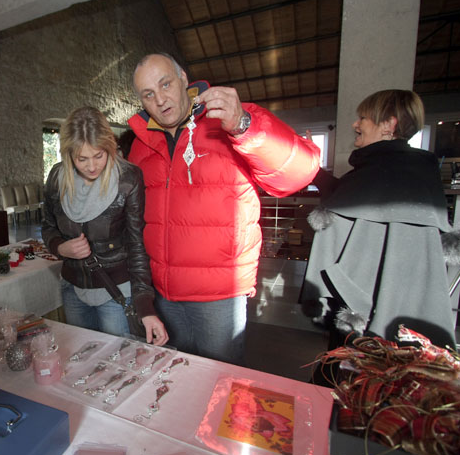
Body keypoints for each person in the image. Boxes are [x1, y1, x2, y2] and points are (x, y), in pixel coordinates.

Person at [128, 53, 320, 364]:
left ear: (183, 80)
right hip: (163, 294)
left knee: (220, 389)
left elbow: (300, 172)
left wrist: (244, 126)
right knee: (173, 385)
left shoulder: (228, 119)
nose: (160, 99)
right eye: (148, 94)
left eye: (165, 84)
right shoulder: (141, 143)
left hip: (218, 296)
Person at [301, 89, 460, 354]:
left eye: (363, 118)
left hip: (366, 309)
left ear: (389, 124)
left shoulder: (384, 170)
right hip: (401, 302)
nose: (355, 124)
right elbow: (348, 198)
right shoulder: (411, 171)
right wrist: (312, 166)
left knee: (357, 373)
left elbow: (346, 204)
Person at [42, 106, 169, 345]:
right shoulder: (57, 178)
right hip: (73, 288)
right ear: (69, 154)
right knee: (81, 363)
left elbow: (137, 245)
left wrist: (145, 306)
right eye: (82, 159)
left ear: (109, 148)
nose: (91, 166)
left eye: (99, 156)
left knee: (121, 364)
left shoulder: (128, 178)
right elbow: (48, 226)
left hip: (116, 292)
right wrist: (60, 247)